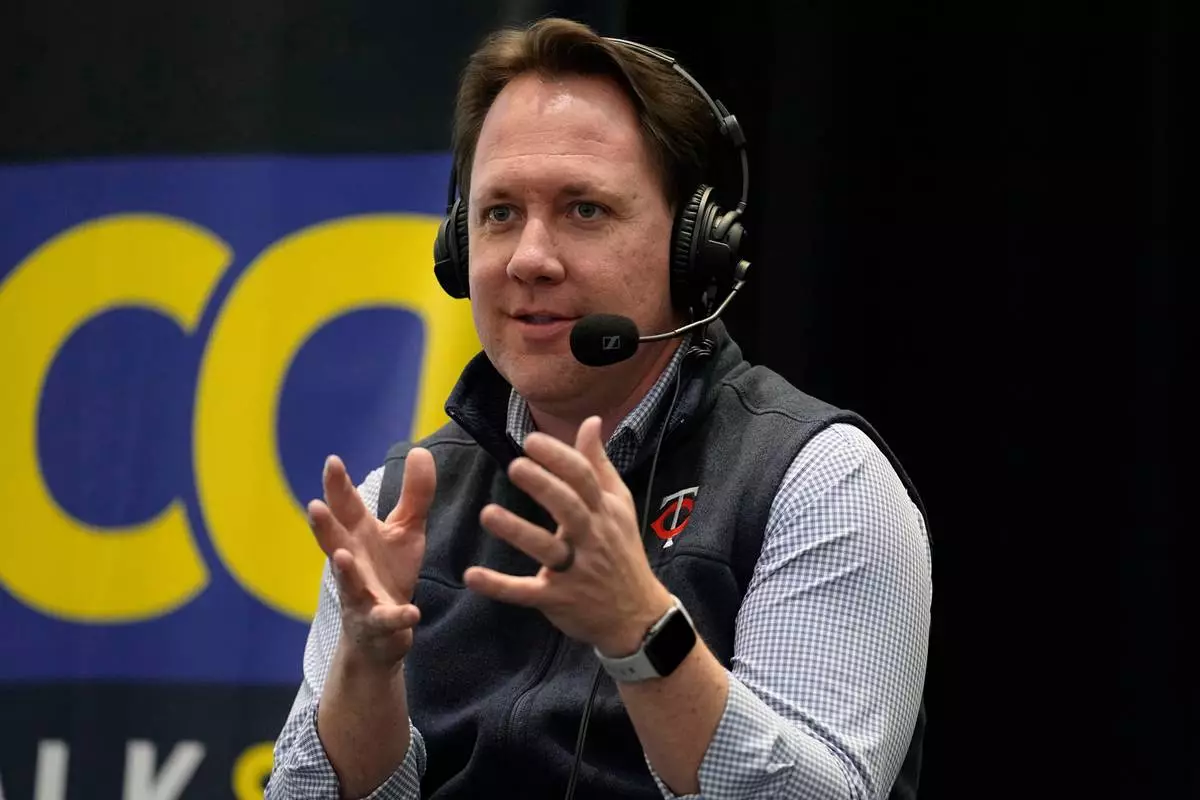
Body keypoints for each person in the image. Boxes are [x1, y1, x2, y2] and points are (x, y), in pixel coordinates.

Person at [265, 16, 932, 800]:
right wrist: (367, 670)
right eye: (499, 213)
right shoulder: (399, 505)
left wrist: (643, 637)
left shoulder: (818, 482)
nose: (529, 259)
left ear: (695, 247)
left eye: (584, 210)